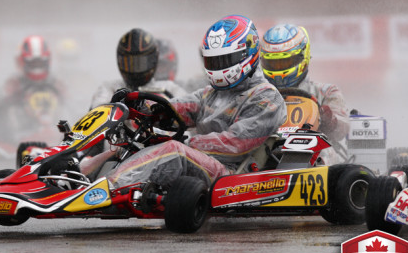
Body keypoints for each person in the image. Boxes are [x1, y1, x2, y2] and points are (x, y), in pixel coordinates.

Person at [82, 15, 287, 189]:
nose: (218, 68)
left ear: (247, 54)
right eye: (213, 61)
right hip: (204, 164)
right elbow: (176, 108)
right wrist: (141, 109)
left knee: (173, 151)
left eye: (224, 61)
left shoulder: (266, 97)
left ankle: (106, 189)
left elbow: (235, 144)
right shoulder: (211, 93)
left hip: (233, 174)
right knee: (131, 143)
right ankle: (80, 177)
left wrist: (186, 143)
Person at [260, 24, 350, 163]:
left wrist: (329, 120)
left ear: (303, 56)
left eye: (285, 61)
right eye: (273, 64)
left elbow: (343, 128)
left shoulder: (326, 92)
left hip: (315, 151)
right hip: (268, 150)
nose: (279, 69)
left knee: (324, 151)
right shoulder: (259, 95)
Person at [90, 28, 187, 109]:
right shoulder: (110, 88)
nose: (134, 70)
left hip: (160, 131)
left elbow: (190, 117)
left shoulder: (170, 89)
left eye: (140, 63)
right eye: (129, 63)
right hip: (124, 131)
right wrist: (117, 106)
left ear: (153, 60)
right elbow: (96, 112)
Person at [0, 35, 69, 135]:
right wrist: (12, 97)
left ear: (47, 61)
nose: (37, 67)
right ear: (23, 61)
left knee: (65, 109)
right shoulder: (15, 81)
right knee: (9, 112)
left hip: (55, 128)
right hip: (22, 130)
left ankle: (63, 135)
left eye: (40, 63)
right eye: (33, 63)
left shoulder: (56, 82)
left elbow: (72, 105)